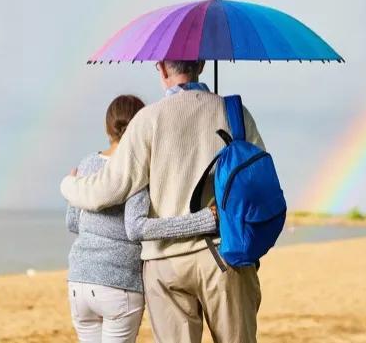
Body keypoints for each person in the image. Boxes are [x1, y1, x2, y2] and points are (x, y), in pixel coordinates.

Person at [61, 60, 264, 343]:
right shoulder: (234, 113)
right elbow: (256, 187)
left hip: (164, 262)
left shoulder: (147, 120)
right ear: (202, 65)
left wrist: (69, 185)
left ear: (162, 69)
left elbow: (109, 189)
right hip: (224, 255)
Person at [66, 94, 218, 343]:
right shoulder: (135, 169)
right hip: (118, 285)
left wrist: (71, 189)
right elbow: (136, 228)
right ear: (141, 127)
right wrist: (202, 220)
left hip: (79, 282)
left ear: (108, 128)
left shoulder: (86, 164)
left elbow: (73, 222)